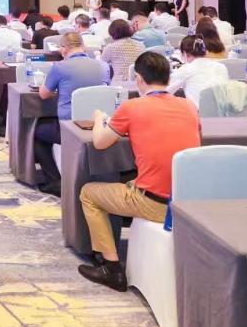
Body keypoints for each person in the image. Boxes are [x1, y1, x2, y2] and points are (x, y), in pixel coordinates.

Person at [77, 51, 200, 290]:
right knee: (133, 181)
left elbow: (100, 142)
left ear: (139, 79)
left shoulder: (132, 107)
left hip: (156, 204)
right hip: (187, 200)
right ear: (168, 77)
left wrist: (99, 118)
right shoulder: (189, 106)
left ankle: (111, 268)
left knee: (88, 193)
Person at [32, 33, 109, 196]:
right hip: (100, 126)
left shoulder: (60, 67)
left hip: (70, 128)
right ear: (83, 47)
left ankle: (54, 182)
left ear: (63, 49)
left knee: (36, 133)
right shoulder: (103, 66)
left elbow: (43, 94)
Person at [168, 35, 229, 111]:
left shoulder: (186, 69)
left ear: (185, 54)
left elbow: (165, 91)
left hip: (199, 115)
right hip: (225, 114)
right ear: (206, 52)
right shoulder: (221, 67)